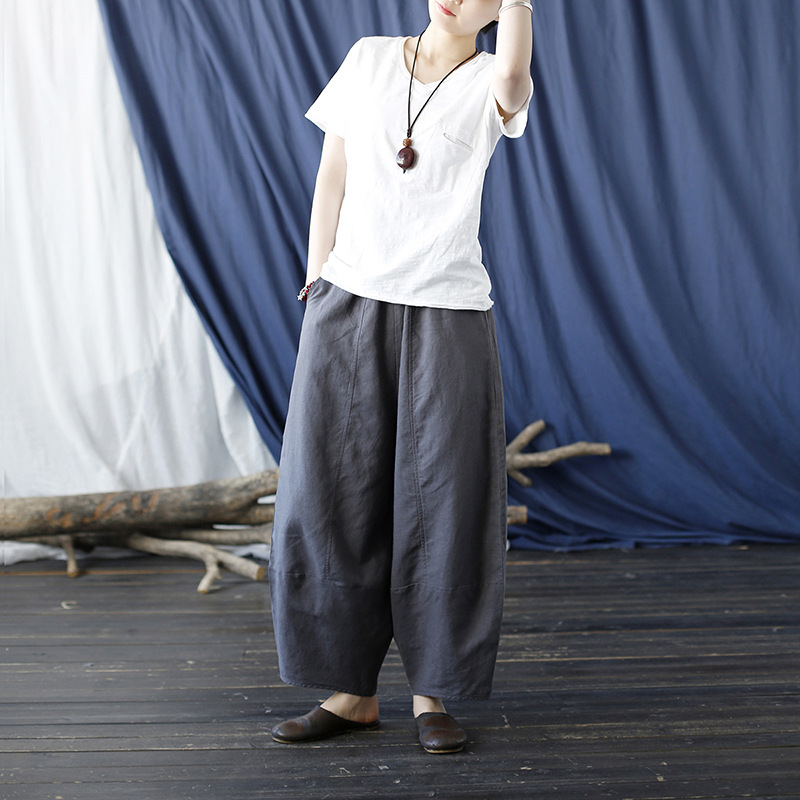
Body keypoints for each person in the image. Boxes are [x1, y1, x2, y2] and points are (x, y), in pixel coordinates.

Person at [268, 0, 534, 754]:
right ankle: (349, 693)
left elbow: (515, 74)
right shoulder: (369, 57)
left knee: (444, 499)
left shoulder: (496, 79)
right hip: (349, 298)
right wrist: (318, 274)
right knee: (333, 492)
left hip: (449, 310)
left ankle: (430, 694)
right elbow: (334, 173)